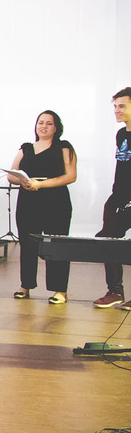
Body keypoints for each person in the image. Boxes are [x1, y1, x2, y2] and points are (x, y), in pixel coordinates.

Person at [7, 111, 76, 304]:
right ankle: (25, 285)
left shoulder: (63, 147)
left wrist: (41, 184)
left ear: (56, 128)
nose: (43, 126)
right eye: (40, 123)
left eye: (49, 123)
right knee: (27, 244)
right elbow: (11, 175)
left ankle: (59, 290)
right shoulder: (26, 148)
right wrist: (23, 181)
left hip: (56, 202)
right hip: (28, 202)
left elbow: (70, 176)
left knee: (57, 245)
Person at [93, 88, 131, 309]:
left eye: (122, 106)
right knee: (109, 240)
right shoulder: (121, 134)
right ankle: (115, 291)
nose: (116, 110)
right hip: (118, 197)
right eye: (115, 106)